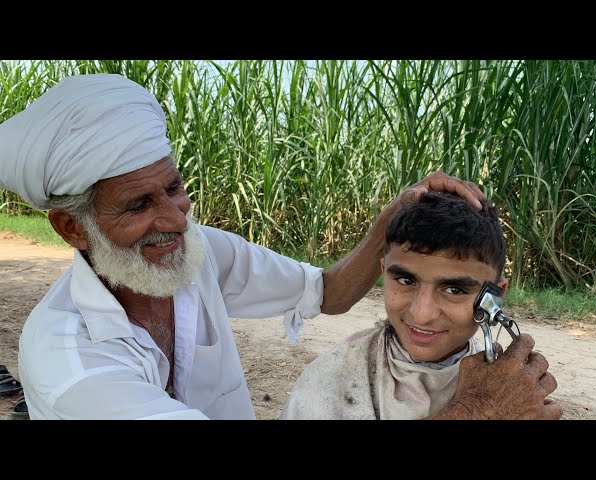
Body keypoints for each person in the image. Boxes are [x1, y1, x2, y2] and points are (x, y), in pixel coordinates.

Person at [0, 73, 558, 420]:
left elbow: (328, 292)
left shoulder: (196, 255)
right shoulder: (72, 362)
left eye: (173, 187)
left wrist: (390, 222)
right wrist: (480, 410)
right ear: (73, 229)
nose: (174, 217)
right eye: (138, 205)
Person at [280, 191, 563, 420]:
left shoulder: (515, 389)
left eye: (454, 289)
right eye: (405, 280)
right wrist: (479, 410)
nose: (422, 314)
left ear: (494, 296)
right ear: (383, 272)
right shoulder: (329, 380)